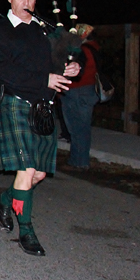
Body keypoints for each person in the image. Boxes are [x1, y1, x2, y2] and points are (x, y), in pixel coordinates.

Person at [0, 0, 80, 257]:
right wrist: (45, 79)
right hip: (15, 103)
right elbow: (4, 71)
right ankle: (26, 230)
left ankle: (3, 199)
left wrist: (71, 66)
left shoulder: (45, 31)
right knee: (26, 171)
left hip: (43, 107)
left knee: (37, 173)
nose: (27, 3)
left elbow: (66, 57)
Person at [62, 23, 100, 170]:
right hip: (89, 90)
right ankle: (80, 159)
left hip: (76, 90)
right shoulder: (95, 48)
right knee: (83, 127)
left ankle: (78, 160)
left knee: (76, 128)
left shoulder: (82, 51)